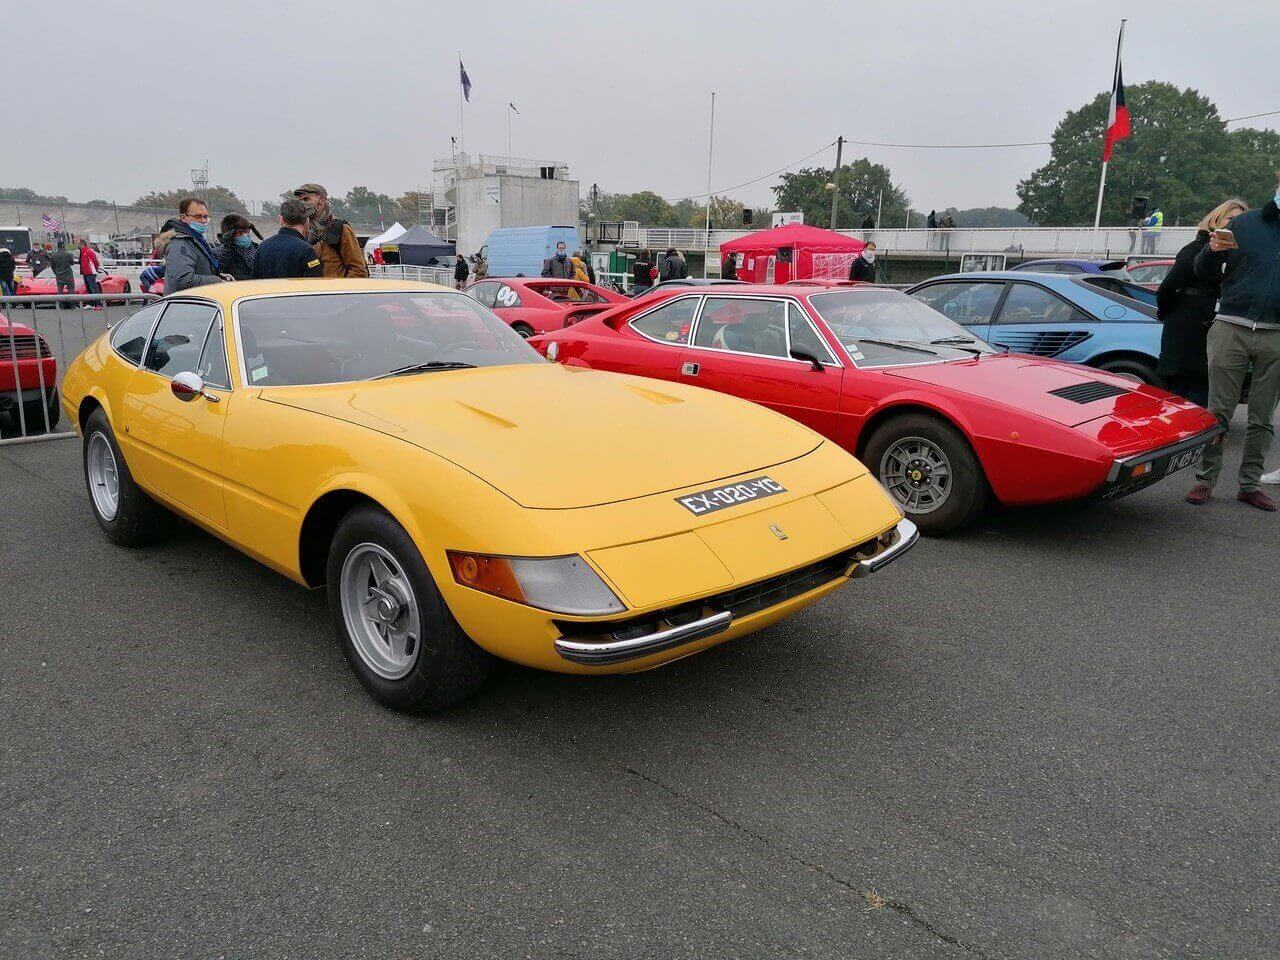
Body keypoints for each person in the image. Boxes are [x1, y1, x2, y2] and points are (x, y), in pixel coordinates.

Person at [1185, 177, 1280, 511]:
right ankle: (1204, 479)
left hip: (1276, 332)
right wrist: (1211, 252)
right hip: (1231, 325)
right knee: (1219, 409)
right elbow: (1205, 272)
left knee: (1263, 415)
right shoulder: (1245, 223)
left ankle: (1249, 484)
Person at [1156, 199, 1247, 406]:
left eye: (1242, 220)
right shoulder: (1195, 249)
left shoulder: (1238, 255)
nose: (1236, 224)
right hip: (1187, 336)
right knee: (1184, 401)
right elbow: (1167, 288)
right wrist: (1169, 314)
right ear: (1216, 219)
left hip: (1216, 336)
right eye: (1231, 218)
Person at [292, 183, 368, 279]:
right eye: (300, 200)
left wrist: (341, 291)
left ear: (321, 200)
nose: (302, 203)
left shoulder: (339, 228)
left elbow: (358, 269)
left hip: (333, 291)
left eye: (306, 199)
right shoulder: (302, 229)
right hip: (311, 290)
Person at [166, 197, 228, 292]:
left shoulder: (196, 240)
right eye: (197, 216)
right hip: (186, 304)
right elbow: (183, 280)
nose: (203, 220)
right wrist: (216, 280)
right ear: (184, 218)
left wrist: (218, 275)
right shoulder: (180, 243)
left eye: (205, 217)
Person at [252, 198, 325, 280]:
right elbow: (316, 282)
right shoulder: (306, 250)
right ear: (306, 222)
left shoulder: (262, 247)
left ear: (281, 219)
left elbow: (255, 281)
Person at [216, 214, 261, 281]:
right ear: (230, 236)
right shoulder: (225, 254)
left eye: (246, 231)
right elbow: (220, 274)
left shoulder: (257, 248)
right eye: (239, 233)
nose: (244, 235)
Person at [77, 238, 103, 308]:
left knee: (93, 288)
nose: (77, 245)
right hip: (85, 272)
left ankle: (98, 303)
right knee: (89, 288)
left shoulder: (88, 251)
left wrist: (95, 270)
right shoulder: (82, 251)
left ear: (82, 244)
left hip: (90, 272)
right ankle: (92, 303)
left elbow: (95, 261)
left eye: (78, 244)